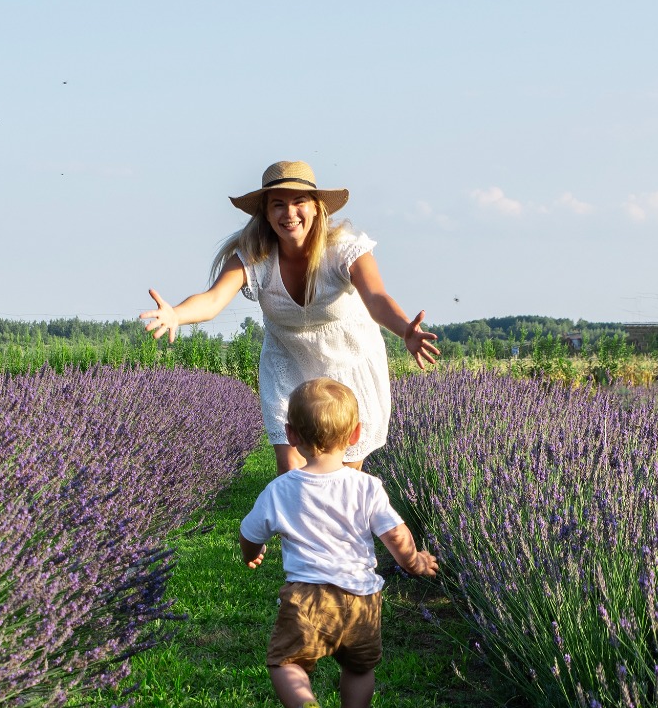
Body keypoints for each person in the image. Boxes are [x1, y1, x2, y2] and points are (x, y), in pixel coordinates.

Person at [141, 160, 439, 473]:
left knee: (342, 476)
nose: (289, 213)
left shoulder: (345, 250)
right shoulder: (254, 258)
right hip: (288, 365)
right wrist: (176, 314)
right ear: (266, 213)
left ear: (317, 208)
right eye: (278, 204)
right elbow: (213, 299)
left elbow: (376, 299)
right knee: (291, 469)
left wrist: (404, 329)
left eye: (299, 202)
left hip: (348, 366)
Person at [237, 378, 438, 708]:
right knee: (359, 667)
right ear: (356, 434)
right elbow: (396, 536)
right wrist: (415, 562)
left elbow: (249, 532)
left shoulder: (281, 489)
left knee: (287, 663)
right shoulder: (367, 486)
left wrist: (252, 553)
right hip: (361, 599)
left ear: (291, 435)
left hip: (306, 599)